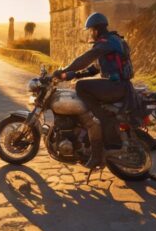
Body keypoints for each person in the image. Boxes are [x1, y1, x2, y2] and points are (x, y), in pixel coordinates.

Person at [52, 13, 134, 169]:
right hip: (118, 85)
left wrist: (65, 69)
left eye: (91, 30)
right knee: (81, 83)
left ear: (96, 30)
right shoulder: (114, 41)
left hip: (115, 86)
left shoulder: (106, 42)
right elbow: (94, 67)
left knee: (81, 87)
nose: (90, 33)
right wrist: (72, 74)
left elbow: (85, 59)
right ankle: (90, 131)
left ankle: (98, 120)